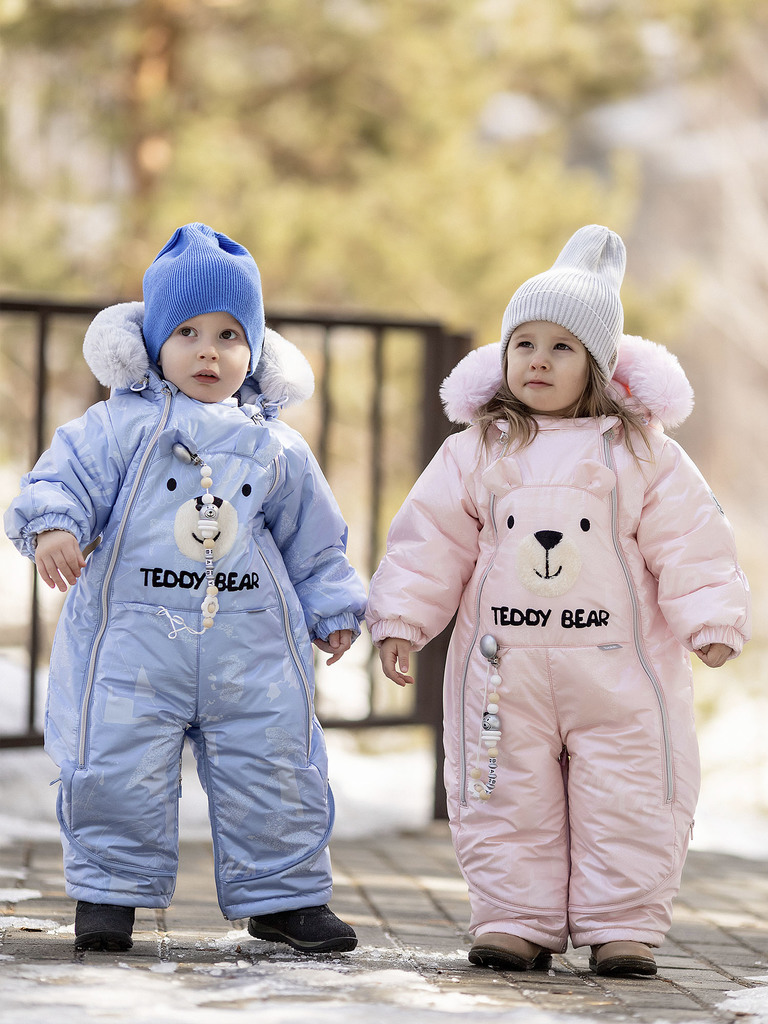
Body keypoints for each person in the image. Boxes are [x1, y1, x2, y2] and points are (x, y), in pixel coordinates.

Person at [365, 224, 751, 977]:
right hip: (500, 674)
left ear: (598, 366)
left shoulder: (641, 452)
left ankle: (623, 925)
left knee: (631, 787)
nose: (537, 359)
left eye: (562, 347)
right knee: (501, 788)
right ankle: (515, 919)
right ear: (503, 357)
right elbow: (428, 539)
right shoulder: (477, 449)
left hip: (619, 675)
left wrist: (709, 616)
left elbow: (690, 538)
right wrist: (403, 619)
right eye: (524, 344)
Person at [5, 222, 367, 955]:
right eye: (189, 333)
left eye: (230, 335)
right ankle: (109, 894)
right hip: (134, 646)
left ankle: (286, 897)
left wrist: (331, 605)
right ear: (152, 343)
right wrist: (54, 526)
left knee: (274, 763)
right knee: (116, 763)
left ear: (255, 349)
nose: (209, 352)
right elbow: (60, 478)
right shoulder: (117, 426)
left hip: (251, 650)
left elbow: (314, 538)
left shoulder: (275, 443)